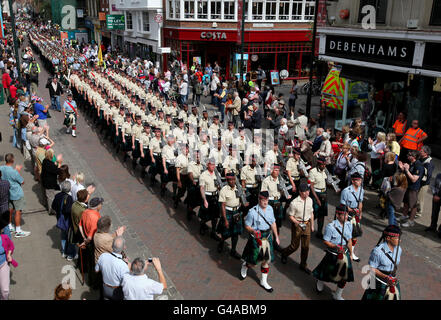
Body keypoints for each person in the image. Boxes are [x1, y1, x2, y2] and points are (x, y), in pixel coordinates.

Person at [239, 191, 280, 293]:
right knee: (254, 261)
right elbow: (247, 225)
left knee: (266, 259)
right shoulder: (252, 212)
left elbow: (273, 223)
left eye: (267, 200)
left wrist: (276, 237)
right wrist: (253, 230)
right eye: (263, 200)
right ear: (259, 200)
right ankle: (245, 265)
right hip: (257, 238)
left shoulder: (270, 209)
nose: (266, 202)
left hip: (267, 236)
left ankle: (263, 281)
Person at [313, 204, 354, 300]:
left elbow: (349, 240)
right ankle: (320, 280)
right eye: (344, 215)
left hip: (344, 254)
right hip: (333, 254)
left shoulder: (349, 225)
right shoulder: (330, 227)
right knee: (326, 272)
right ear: (338, 214)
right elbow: (326, 241)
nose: (346, 217)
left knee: (344, 277)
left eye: (347, 214)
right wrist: (335, 246)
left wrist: (351, 253)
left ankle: (337, 294)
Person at [280, 183, 314, 274]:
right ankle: (284, 253)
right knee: (294, 246)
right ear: (300, 192)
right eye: (304, 191)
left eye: (308, 191)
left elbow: (311, 213)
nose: (307, 193)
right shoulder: (294, 203)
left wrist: (313, 225)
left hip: (307, 225)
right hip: (297, 225)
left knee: (305, 247)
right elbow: (291, 216)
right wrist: (297, 223)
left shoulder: (310, 200)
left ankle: (303, 265)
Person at [362, 225, 402, 300]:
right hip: (379, 282)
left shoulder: (399, 249)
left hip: (392, 281)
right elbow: (372, 268)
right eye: (397, 238)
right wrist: (386, 277)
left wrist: (391, 278)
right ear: (388, 238)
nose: (400, 240)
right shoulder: (377, 251)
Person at [217, 172, 246, 259]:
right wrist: (225, 219)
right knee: (225, 232)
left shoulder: (239, 188)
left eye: (233, 179)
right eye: (230, 180)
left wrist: (243, 203)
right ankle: (221, 242)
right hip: (228, 212)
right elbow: (222, 206)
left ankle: (233, 250)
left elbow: (242, 198)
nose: (232, 181)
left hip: (236, 212)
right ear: (227, 180)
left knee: (236, 233)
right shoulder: (224, 190)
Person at [0, 154, 30, 238]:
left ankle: (9, 226)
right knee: (18, 211)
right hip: (16, 193)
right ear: (12, 160)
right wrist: (17, 170)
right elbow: (22, 181)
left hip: (7, 192)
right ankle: (18, 230)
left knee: (9, 209)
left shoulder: (1, 168)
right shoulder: (13, 172)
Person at [95, 236, 130, 300]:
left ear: (112, 245)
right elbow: (127, 283)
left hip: (105, 287)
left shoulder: (103, 256)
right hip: (117, 291)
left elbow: (96, 270)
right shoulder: (123, 265)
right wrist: (127, 265)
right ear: (124, 248)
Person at [340, 172, 364, 262]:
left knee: (355, 235)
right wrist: (352, 210)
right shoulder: (346, 191)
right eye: (358, 180)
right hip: (347, 215)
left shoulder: (361, 190)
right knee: (346, 235)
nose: (360, 182)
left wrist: (360, 213)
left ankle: (351, 252)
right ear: (353, 181)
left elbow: (360, 202)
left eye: (360, 180)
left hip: (356, 216)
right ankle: (343, 250)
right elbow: (342, 205)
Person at [398, 151, 425, 227]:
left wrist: (406, 170)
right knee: (406, 202)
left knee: (413, 205)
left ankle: (411, 221)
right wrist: (402, 167)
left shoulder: (419, 166)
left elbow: (414, 179)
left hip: (413, 188)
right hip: (407, 186)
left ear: (414, 157)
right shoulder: (411, 163)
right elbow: (408, 172)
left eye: (409, 155)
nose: (407, 156)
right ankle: (404, 216)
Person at [52, 180, 75, 260]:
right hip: (67, 221)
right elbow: (68, 211)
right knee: (70, 237)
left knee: (63, 236)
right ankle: (70, 254)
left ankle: (64, 251)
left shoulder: (57, 195)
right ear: (69, 189)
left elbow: (53, 206)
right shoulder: (69, 198)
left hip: (60, 219)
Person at [309, 157, 328, 239]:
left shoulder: (325, 171)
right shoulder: (312, 172)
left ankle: (319, 232)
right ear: (318, 164)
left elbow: (327, 181)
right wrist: (316, 199)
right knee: (315, 213)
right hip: (316, 193)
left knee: (322, 214)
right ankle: (308, 228)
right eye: (322, 164)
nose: (324, 166)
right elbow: (311, 187)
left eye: (325, 164)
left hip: (324, 193)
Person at [417, 146, 434, 217]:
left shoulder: (428, 162)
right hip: (419, 182)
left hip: (423, 184)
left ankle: (418, 213)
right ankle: (414, 210)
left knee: (420, 199)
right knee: (416, 197)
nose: (420, 151)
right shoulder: (421, 158)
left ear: (426, 153)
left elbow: (428, 175)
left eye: (421, 151)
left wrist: (423, 183)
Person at [426, 173, 441, 237]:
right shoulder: (438, 175)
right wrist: (434, 194)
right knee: (434, 213)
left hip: (439, 197)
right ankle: (432, 226)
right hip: (436, 197)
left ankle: (440, 230)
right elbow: (433, 185)